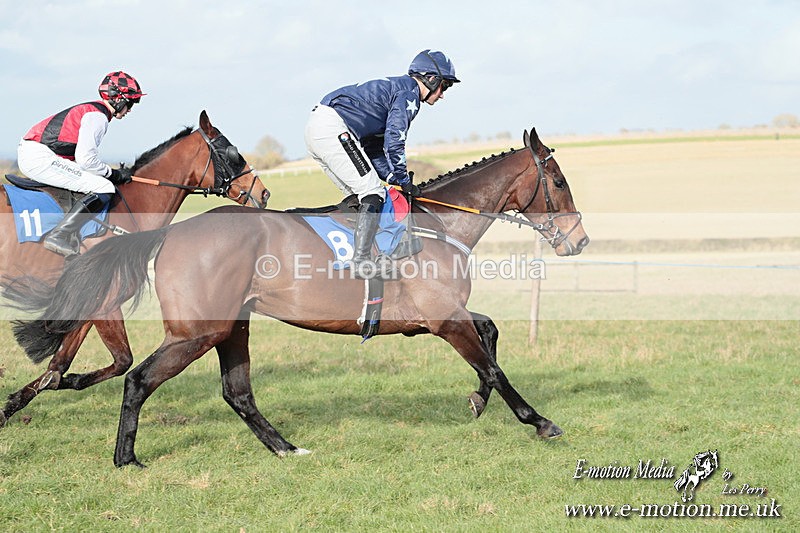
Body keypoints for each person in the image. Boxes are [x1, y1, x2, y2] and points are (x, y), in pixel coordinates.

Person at [305, 49, 459, 278]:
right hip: (334, 128)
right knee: (371, 193)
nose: (443, 94)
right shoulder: (409, 94)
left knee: (363, 197)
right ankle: (361, 261)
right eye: (444, 86)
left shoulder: (398, 90)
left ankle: (366, 253)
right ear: (431, 78)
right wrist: (404, 180)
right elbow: (394, 141)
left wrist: (392, 178)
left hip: (320, 128)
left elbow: (373, 148)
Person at [17, 71, 145, 256]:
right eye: (130, 103)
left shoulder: (95, 112)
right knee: (104, 187)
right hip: (39, 157)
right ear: (118, 99)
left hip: (39, 154)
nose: (130, 109)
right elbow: (86, 160)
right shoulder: (98, 117)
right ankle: (59, 235)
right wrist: (114, 174)